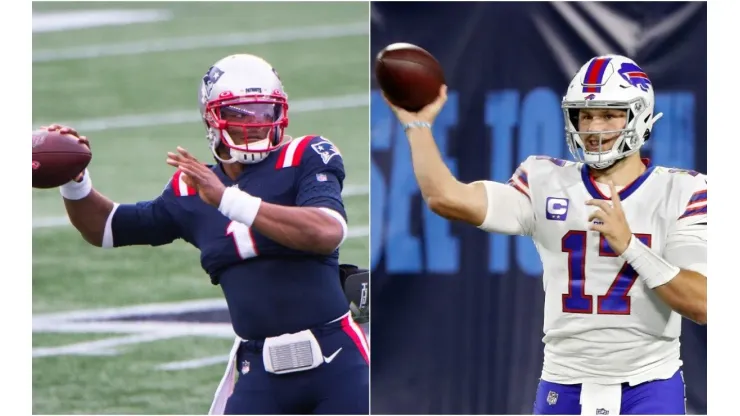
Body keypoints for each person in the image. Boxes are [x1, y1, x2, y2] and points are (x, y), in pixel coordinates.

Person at [43, 54, 369, 415]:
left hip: (336, 359)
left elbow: (327, 231)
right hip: (258, 369)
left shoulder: (304, 155)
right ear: (211, 119)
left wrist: (228, 199)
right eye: (242, 112)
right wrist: (75, 182)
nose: (257, 123)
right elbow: (106, 227)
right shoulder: (191, 189)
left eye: (265, 110)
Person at [383, 54, 706, 415]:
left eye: (609, 114)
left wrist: (631, 247)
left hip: (648, 385)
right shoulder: (545, 180)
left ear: (639, 115)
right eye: (585, 115)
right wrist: (417, 126)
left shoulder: (683, 191)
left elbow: (703, 304)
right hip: (563, 383)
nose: (594, 128)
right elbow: (445, 198)